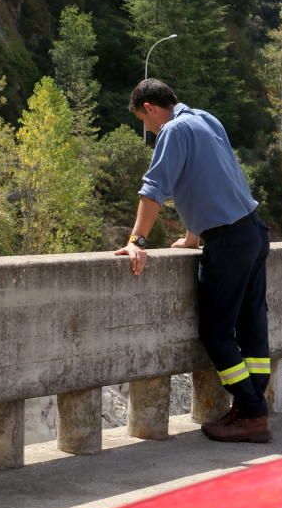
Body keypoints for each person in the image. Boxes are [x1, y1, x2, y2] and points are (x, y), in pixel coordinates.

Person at [115, 78, 273, 442]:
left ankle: (252, 411)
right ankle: (248, 409)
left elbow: (153, 189)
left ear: (150, 109)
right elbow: (215, 177)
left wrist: (137, 240)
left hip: (229, 242)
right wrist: (192, 236)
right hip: (252, 231)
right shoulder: (204, 118)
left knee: (216, 333)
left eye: (143, 119)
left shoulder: (172, 130)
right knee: (251, 327)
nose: (147, 127)